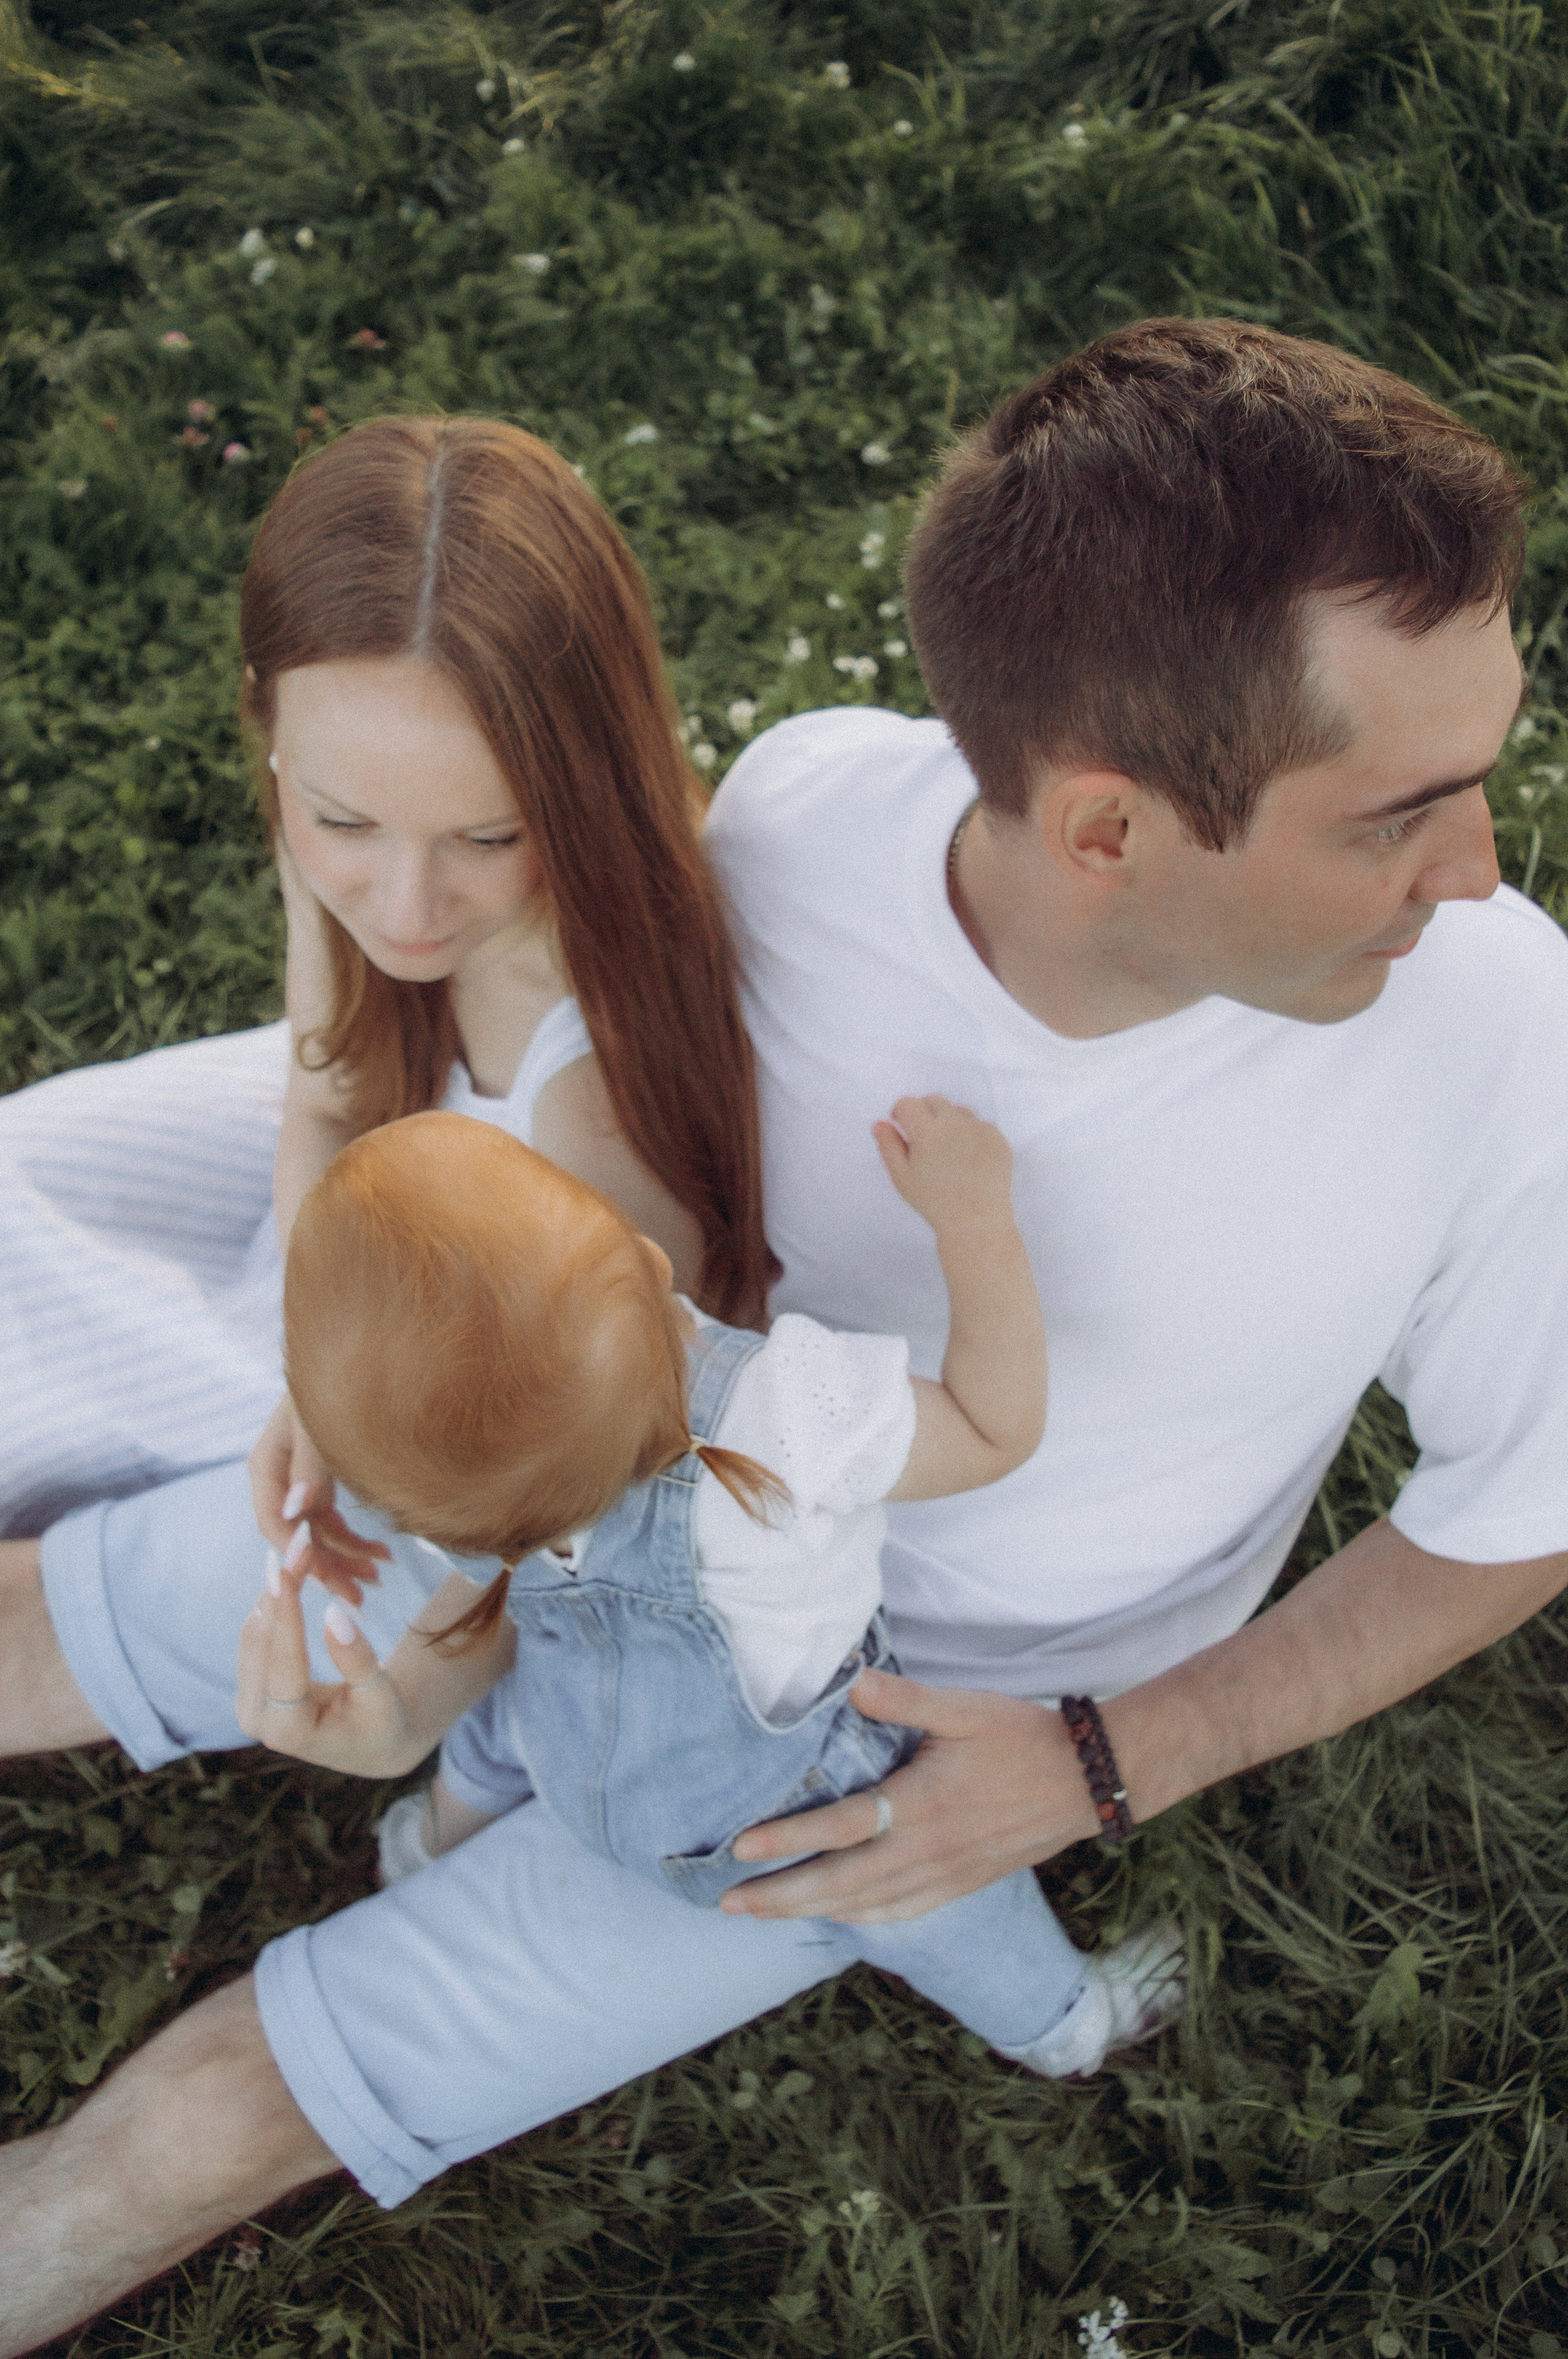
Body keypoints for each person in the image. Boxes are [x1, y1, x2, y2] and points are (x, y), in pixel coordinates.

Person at [4, 318, 1568, 2355]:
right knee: (99, 1607)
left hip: (903, 1725)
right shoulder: (816, 812)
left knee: (206, 2125)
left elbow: (1523, 1512)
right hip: (606, 1445)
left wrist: (1102, 1761)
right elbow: (524, 976)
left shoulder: (1505, 1045)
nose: (1485, 867)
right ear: (1101, 827)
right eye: (1400, 813)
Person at [238, 1103, 1182, 2078]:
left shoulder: (460, 1494)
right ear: (649, 1264)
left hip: (575, 1761)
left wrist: (398, 1715)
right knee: (940, 1903)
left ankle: (428, 1846)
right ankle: (1070, 2024)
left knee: (508, 1699)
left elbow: (488, 1610)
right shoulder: (778, 1414)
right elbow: (995, 1429)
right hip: (795, 1823)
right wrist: (973, 1219)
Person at [0, 413, 772, 1574]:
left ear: (585, 779)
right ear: (267, 715)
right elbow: (324, 1090)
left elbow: (585, 1472)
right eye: (342, 823)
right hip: (336, 1224)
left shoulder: (587, 1103)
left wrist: (318, 1386)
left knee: (87, 1434)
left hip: (459, 1375)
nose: (406, 909)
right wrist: (307, 1328)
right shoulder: (343, 786)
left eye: (490, 834)